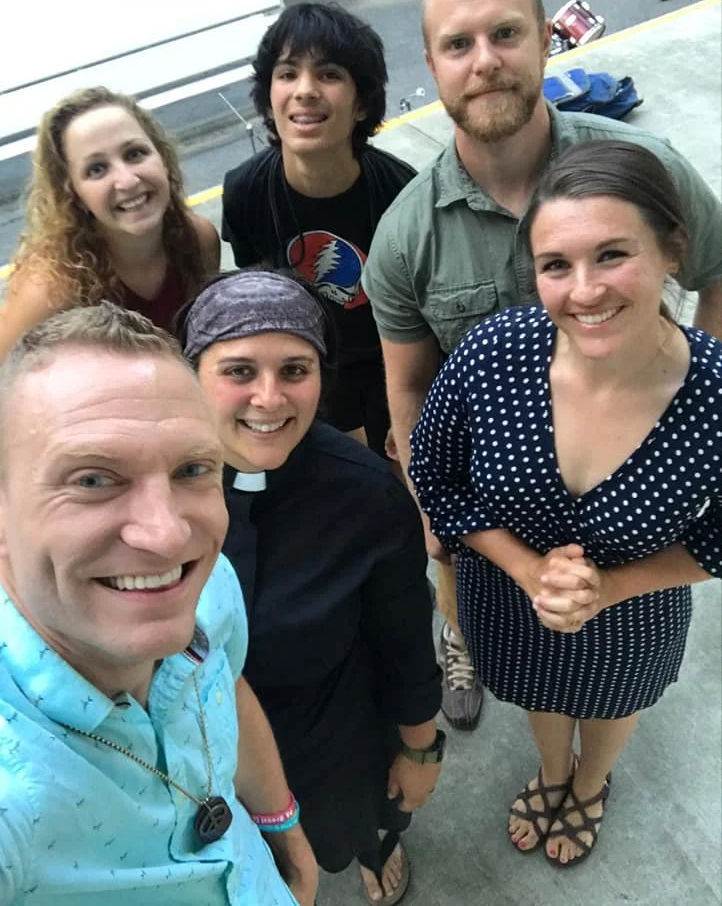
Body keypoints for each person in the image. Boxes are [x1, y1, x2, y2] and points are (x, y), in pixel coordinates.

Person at [361, 0, 722, 733]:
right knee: (498, 634)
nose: (484, 62)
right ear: (432, 63)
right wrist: (437, 520)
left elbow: (717, 269)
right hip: (497, 497)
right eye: (458, 45)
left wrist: (693, 404)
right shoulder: (404, 238)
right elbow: (412, 385)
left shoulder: (643, 166)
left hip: (626, 495)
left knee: (620, 664)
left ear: (546, 39)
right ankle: (464, 638)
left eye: (505, 34)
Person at [408, 139, 722, 868]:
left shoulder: (713, 393)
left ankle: (590, 782)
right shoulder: (492, 354)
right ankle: (553, 772)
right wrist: (525, 571)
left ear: (672, 251)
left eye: (612, 254)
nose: (584, 291)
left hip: (639, 603)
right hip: (509, 594)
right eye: (557, 266)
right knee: (537, 692)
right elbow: (436, 472)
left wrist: (609, 587)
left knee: (613, 704)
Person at [0, 303, 318, 905]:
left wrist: (282, 829)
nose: (168, 535)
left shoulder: (205, 583)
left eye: (192, 469)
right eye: (93, 479)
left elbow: (227, 680)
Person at [178, 269, 443, 905]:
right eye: (239, 371)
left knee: (359, 823)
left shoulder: (368, 495)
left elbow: (405, 641)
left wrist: (421, 751)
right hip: (202, 760)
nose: (269, 398)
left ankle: (377, 846)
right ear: (191, 376)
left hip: (334, 744)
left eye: (294, 370)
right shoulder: (153, 490)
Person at [221, 3, 416, 459]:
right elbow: (264, 308)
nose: (304, 91)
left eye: (328, 74)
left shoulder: (402, 192)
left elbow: (420, 325)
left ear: (361, 102)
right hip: (308, 375)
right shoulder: (246, 193)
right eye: (287, 74)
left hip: (392, 364)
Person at [0, 87, 220, 360]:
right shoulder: (49, 288)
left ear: (162, 158)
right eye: (97, 169)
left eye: (135, 154)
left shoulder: (199, 240)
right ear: (73, 192)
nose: (127, 181)